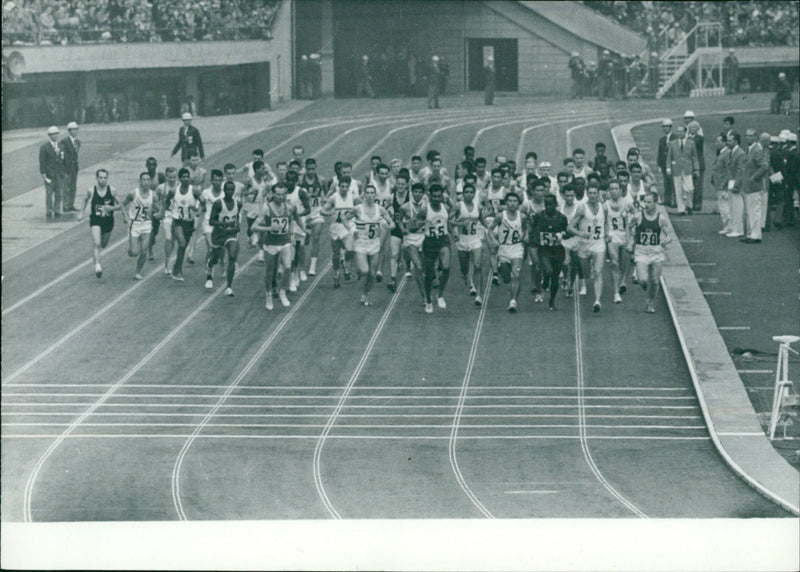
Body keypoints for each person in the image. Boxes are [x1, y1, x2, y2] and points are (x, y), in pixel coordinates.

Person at [251, 183, 304, 309]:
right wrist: (269, 227)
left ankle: (283, 291)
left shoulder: (290, 207)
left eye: (283, 194)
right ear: (273, 194)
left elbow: (295, 218)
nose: (281, 197)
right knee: (270, 272)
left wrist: (303, 229)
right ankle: (269, 295)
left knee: (287, 267)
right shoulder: (266, 209)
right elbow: (254, 226)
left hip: (284, 242)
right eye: (278, 194)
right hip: (270, 244)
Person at [351, 185, 395, 306]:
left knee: (372, 274)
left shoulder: (380, 209)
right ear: (364, 195)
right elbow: (345, 218)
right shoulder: (358, 209)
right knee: (365, 271)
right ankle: (359, 269)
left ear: (375, 195)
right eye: (368, 193)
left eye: (372, 193)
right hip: (361, 243)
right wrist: (352, 229)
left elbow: (391, 221)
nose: (370, 195)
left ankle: (365, 294)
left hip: (374, 243)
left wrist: (390, 225)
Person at [627, 192, 670, 313]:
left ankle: (650, 301)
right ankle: (645, 286)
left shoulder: (661, 218)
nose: (646, 204)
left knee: (655, 281)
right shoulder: (638, 216)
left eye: (649, 202)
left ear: (655, 203)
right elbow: (628, 227)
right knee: (643, 280)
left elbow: (669, 236)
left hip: (656, 251)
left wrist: (665, 241)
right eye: (645, 202)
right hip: (641, 251)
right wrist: (630, 241)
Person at [411, 184, 450, 313]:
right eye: (434, 196)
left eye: (439, 196)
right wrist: (419, 224)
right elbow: (413, 226)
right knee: (428, 274)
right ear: (430, 196)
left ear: (442, 196)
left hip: (443, 240)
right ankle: (428, 299)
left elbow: (449, 224)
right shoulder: (424, 210)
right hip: (429, 242)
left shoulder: (446, 208)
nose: (437, 199)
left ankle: (440, 295)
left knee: (446, 267)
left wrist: (454, 231)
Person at [568, 182, 606, 313]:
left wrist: (606, 235)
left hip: (599, 244)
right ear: (587, 193)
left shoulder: (603, 207)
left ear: (598, 193)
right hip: (585, 244)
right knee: (586, 273)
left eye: (595, 193)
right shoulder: (582, 208)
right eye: (590, 193)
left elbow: (605, 223)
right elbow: (570, 227)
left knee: (598, 272)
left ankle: (597, 301)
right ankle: (579, 279)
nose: (592, 196)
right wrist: (580, 233)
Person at [451, 182, 491, 307]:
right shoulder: (458, 206)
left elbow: (482, 221)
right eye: (466, 192)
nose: (469, 194)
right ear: (463, 194)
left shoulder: (477, 207)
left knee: (478, 265)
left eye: (471, 192)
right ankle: (467, 279)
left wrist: (490, 230)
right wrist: (459, 226)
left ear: (474, 194)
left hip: (475, 239)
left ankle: (479, 294)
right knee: (464, 269)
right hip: (462, 240)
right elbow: (449, 221)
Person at [77, 169, 120, 278]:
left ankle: (97, 258)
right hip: (96, 220)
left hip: (108, 222)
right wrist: (81, 213)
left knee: (103, 244)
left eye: (105, 178)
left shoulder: (112, 190)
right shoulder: (91, 190)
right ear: (97, 178)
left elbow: (120, 204)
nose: (103, 180)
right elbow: (85, 200)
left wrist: (122, 213)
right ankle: (97, 266)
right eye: (100, 177)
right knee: (97, 242)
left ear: (107, 179)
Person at [489, 191, 526, 313]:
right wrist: (494, 240)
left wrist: (525, 237)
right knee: (506, 277)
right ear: (506, 203)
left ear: (518, 203)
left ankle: (513, 301)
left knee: (516, 274)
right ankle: (504, 275)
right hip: (503, 249)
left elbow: (526, 229)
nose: (512, 203)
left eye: (515, 201)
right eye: (510, 201)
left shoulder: (522, 217)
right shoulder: (501, 216)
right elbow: (490, 229)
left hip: (516, 248)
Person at [532, 194, 569, 310]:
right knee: (548, 270)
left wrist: (562, 234)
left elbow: (567, 233)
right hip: (544, 250)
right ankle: (545, 280)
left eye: (551, 204)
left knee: (555, 277)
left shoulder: (562, 218)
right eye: (546, 204)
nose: (548, 207)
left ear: (556, 204)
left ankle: (552, 301)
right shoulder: (538, 216)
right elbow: (532, 230)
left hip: (557, 250)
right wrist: (536, 239)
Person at [320, 176, 358, 288]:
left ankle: (346, 262)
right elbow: (322, 210)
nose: (344, 188)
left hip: (348, 227)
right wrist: (330, 213)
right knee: (336, 254)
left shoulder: (353, 197)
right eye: (342, 186)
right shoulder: (334, 198)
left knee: (350, 249)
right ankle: (336, 273)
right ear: (338, 186)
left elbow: (360, 208)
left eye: (347, 186)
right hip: (336, 228)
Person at [206, 180, 242, 296]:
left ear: (234, 191)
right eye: (227, 189)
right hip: (218, 234)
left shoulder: (238, 204)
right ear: (224, 190)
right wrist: (223, 224)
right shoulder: (218, 203)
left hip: (230, 235)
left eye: (232, 190)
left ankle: (229, 287)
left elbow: (237, 221)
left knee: (232, 257)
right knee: (215, 258)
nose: (230, 192)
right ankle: (209, 270)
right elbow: (211, 221)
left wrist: (235, 228)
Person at [165, 167, 200, 281]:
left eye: (187, 177)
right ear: (179, 179)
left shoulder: (194, 190)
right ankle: (176, 270)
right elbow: (166, 201)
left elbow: (202, 203)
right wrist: (162, 212)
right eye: (183, 177)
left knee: (183, 246)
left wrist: (197, 209)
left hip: (189, 222)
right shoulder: (174, 190)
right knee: (182, 242)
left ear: (189, 178)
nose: (185, 179)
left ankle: (176, 268)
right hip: (177, 221)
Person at [604, 179, 636, 303]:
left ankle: (622, 281)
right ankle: (616, 293)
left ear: (620, 190)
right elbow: (603, 221)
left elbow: (637, 215)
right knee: (614, 263)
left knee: (624, 264)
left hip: (625, 236)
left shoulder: (627, 202)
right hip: (612, 236)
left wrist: (631, 226)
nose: (613, 191)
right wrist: (606, 234)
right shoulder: (605, 205)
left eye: (616, 188)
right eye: (611, 189)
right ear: (609, 191)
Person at [121, 172, 157, 280]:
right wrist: (125, 216)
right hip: (134, 224)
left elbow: (158, 207)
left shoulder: (153, 195)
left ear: (150, 182)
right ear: (140, 181)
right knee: (134, 252)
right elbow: (123, 204)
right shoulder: (133, 193)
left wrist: (156, 211)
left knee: (144, 251)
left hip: (146, 224)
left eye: (148, 180)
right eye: (143, 180)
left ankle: (138, 272)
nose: (146, 182)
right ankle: (131, 249)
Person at [298, 157, 327, 276]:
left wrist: (324, 200)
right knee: (303, 241)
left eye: (313, 169)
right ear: (305, 169)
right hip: (304, 213)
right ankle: (301, 266)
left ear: (316, 168)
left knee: (316, 238)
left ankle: (312, 266)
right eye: (308, 169)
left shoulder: (321, 180)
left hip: (317, 213)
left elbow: (324, 194)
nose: (311, 171)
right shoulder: (300, 180)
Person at [400, 182, 429, 304]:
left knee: (426, 267)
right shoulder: (405, 207)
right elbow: (399, 219)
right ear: (412, 193)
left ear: (423, 194)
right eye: (415, 192)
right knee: (418, 266)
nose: (418, 194)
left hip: (424, 237)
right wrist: (402, 228)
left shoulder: (427, 207)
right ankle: (424, 297)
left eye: (420, 192)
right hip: (410, 238)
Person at [740, 128, 769, 244]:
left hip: (754, 186)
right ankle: (751, 234)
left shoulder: (756, 150)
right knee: (750, 211)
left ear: (756, 137)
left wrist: (754, 177)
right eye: (747, 136)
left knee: (754, 211)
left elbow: (765, 166)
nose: (748, 138)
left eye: (751, 136)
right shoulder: (750, 149)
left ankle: (756, 235)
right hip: (749, 186)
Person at [666, 124, 699, 215]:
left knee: (689, 188)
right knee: (678, 189)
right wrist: (668, 167)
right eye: (678, 131)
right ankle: (681, 209)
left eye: (681, 131)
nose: (679, 133)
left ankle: (689, 205)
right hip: (676, 169)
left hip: (687, 168)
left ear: (685, 132)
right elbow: (669, 156)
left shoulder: (691, 143)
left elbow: (694, 157)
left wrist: (696, 169)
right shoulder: (673, 143)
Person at [386, 173, 410, 292]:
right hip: (396, 229)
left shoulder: (410, 197)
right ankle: (393, 279)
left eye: (402, 184)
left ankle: (409, 268)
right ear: (395, 185)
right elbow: (385, 211)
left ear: (407, 185)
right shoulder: (391, 197)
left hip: (409, 230)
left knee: (408, 254)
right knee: (394, 254)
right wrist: (390, 218)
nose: (400, 186)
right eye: (398, 184)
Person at [156, 167, 179, 273]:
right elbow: (155, 200)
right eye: (170, 177)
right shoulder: (161, 188)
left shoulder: (180, 186)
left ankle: (169, 257)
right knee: (168, 237)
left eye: (174, 177)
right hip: (166, 215)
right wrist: (158, 210)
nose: (172, 179)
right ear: (166, 177)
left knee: (174, 239)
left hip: (178, 215)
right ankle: (168, 260)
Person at [40, 125, 65, 220]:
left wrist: (64, 172)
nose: (55, 136)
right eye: (53, 134)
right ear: (49, 136)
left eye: (56, 134)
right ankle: (49, 210)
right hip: (50, 175)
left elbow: (63, 160)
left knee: (59, 193)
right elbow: (42, 162)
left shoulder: (61, 146)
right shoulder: (44, 147)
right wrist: (43, 173)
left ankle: (57, 209)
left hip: (59, 174)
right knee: (49, 194)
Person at [144, 157, 166, 260]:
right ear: (146, 166)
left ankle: (151, 241)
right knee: (149, 228)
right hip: (148, 207)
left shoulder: (160, 177)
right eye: (149, 165)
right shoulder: (144, 177)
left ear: (156, 166)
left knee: (155, 230)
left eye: (153, 165)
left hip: (158, 207)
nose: (151, 167)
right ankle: (150, 250)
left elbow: (165, 189)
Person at [725, 131, 747, 238]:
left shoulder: (740, 153)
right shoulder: (732, 151)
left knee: (737, 207)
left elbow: (741, 171)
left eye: (730, 141)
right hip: (732, 181)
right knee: (733, 207)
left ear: (736, 141)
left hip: (736, 183)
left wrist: (737, 185)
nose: (727, 143)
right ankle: (735, 228)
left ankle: (738, 230)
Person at [710, 135, 732, 235]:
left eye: (718, 141)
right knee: (722, 206)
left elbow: (729, 170)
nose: (716, 143)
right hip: (719, 183)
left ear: (724, 142)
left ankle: (729, 227)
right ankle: (727, 226)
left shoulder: (726, 153)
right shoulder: (722, 153)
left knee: (725, 207)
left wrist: (725, 184)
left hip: (722, 184)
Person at [61, 121, 80, 212]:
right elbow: (63, 156)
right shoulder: (64, 142)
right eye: (73, 130)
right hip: (67, 168)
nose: (75, 131)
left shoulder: (78, 142)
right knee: (66, 187)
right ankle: (65, 205)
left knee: (73, 186)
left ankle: (71, 204)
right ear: (69, 131)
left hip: (74, 168)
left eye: (76, 129)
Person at [657, 118, 676, 207]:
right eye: (663, 126)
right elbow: (660, 152)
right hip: (664, 164)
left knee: (674, 183)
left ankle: (675, 201)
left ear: (670, 127)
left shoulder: (675, 138)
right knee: (666, 183)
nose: (665, 128)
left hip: (673, 164)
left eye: (667, 126)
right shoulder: (661, 139)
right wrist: (659, 164)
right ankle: (667, 200)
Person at [687, 121, 705, 212]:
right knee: (690, 186)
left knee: (698, 186)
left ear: (698, 129)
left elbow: (692, 144)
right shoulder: (687, 138)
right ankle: (690, 203)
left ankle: (697, 204)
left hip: (699, 165)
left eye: (694, 127)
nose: (692, 129)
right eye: (690, 127)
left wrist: (687, 137)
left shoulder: (700, 138)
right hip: (689, 164)